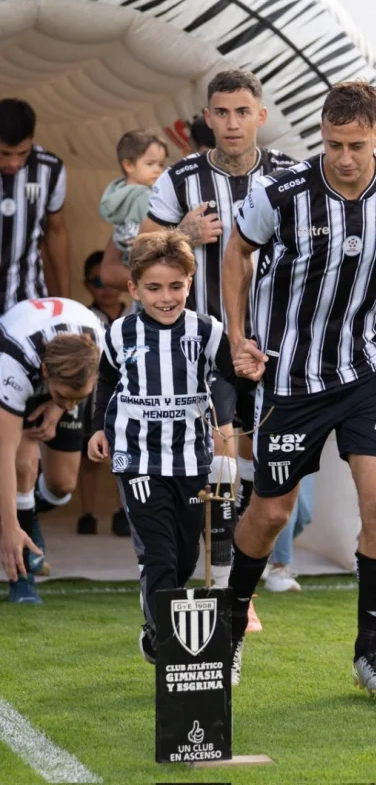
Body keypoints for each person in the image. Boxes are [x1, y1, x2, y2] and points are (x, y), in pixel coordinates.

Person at [222, 80, 376, 694]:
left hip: (368, 369)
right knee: (272, 512)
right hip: (291, 376)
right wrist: (238, 336)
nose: (344, 158)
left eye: (355, 145)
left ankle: (369, 653)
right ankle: (230, 631)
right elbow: (237, 253)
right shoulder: (282, 192)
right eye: (332, 144)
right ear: (322, 135)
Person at [138, 69, 297, 598]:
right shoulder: (180, 178)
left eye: (242, 112)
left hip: (271, 344)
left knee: (262, 464)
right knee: (222, 461)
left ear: (261, 116)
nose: (232, 123)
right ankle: (230, 588)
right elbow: (139, 254)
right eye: (222, 113)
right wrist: (181, 234)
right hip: (205, 344)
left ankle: (258, 570)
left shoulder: (289, 175)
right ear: (208, 117)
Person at [87, 230, 260, 663]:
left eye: (175, 286)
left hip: (191, 459)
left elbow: (231, 378)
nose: (166, 297)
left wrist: (249, 378)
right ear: (134, 289)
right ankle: (162, 638)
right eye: (154, 288)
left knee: (184, 555)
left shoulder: (208, 331)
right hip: (137, 458)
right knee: (158, 553)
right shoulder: (119, 333)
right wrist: (98, 428)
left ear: (190, 283)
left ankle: (160, 607)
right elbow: (106, 380)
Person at [0, 297, 103, 601]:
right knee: (22, 466)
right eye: (65, 397)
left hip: (64, 369)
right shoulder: (14, 363)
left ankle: (27, 511)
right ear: (46, 373)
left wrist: (59, 406)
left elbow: (74, 392)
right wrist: (9, 528)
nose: (72, 405)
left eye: (78, 398)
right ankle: (22, 579)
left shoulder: (102, 347)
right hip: (19, 367)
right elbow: (4, 455)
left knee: (61, 485)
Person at [76, 251, 130, 536]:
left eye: (109, 281)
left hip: (128, 398)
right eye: (97, 282)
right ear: (86, 284)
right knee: (90, 458)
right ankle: (87, 513)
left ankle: (124, 512)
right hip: (93, 399)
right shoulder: (83, 319)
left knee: (125, 455)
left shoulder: (135, 317)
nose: (105, 288)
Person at [0, 98, 70, 310]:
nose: (14, 162)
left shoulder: (50, 169)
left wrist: (65, 300)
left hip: (26, 297)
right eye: (4, 153)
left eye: (23, 153)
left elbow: (55, 232)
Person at [99, 130, 168, 293]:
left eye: (161, 164)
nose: (157, 170)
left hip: (127, 261)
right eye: (150, 164)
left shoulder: (115, 193)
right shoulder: (147, 197)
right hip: (148, 261)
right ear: (128, 165)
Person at [264, 475, 314, 593]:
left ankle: (261, 555)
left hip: (305, 463)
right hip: (280, 464)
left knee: (304, 515)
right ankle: (278, 570)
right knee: (287, 513)